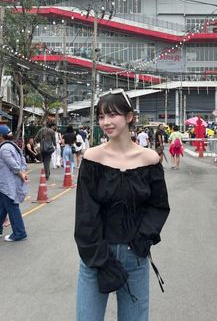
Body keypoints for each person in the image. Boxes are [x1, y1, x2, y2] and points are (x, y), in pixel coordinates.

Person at [74, 89, 170, 321]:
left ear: (129, 117)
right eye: (101, 116)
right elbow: (86, 215)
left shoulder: (149, 159)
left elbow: (158, 206)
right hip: (96, 257)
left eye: (112, 115)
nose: (106, 122)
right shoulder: (92, 158)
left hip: (134, 257)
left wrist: (142, 240)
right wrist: (100, 258)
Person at [0, 125, 28, 242]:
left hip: (8, 183)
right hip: (7, 182)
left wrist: (20, 173)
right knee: (2, 207)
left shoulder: (4, 149)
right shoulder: (13, 145)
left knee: (11, 206)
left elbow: (13, 164)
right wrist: (23, 172)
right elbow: (23, 161)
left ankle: (19, 232)